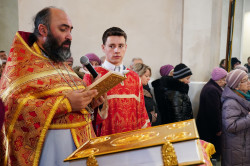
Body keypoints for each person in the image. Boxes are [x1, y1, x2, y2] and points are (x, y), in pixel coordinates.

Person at [0, 7, 106, 166]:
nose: (69, 36)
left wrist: (91, 102)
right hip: (50, 154)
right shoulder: (20, 67)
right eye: (63, 30)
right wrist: (65, 104)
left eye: (70, 30)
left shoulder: (61, 64)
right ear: (43, 30)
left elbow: (76, 101)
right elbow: (12, 109)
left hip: (82, 148)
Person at [84, 27, 150, 136]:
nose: (116, 50)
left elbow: (141, 111)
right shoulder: (92, 75)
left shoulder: (134, 77)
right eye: (111, 46)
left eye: (120, 46)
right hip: (104, 139)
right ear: (103, 47)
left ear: (126, 47)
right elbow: (85, 110)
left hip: (131, 139)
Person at [196, 67, 227, 161]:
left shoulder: (212, 87)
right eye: (224, 79)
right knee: (211, 154)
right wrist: (218, 128)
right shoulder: (212, 90)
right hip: (210, 129)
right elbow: (214, 112)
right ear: (219, 79)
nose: (225, 82)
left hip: (208, 127)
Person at [221, 69, 250, 166]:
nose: (249, 82)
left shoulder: (242, 97)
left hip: (242, 145)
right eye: (245, 80)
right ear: (236, 86)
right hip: (236, 148)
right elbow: (230, 126)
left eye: (248, 79)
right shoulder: (231, 103)